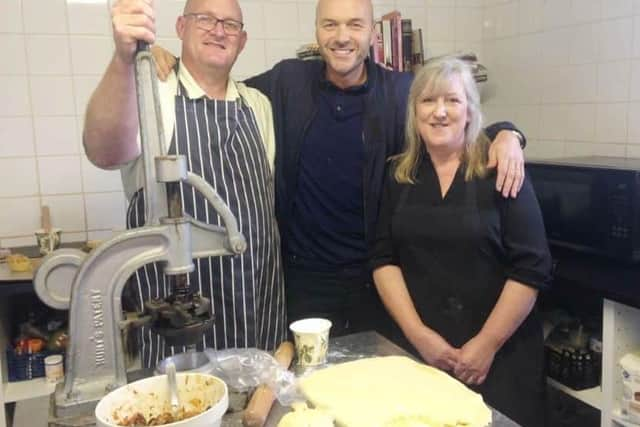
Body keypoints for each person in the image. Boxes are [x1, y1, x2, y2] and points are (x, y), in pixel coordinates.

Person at [152, 0, 527, 339]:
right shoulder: (287, 82)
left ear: (372, 33)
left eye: (354, 25)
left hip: (381, 280)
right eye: (330, 25)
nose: (342, 37)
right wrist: (170, 60)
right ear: (317, 32)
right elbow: (218, 85)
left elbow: (449, 121)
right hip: (304, 281)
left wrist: (506, 133)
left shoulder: (399, 91)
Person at [83, 0, 286, 368]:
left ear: (242, 40)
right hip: (179, 327)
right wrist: (125, 60)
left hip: (260, 315)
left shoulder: (258, 106)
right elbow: (104, 151)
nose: (218, 30)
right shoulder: (151, 92)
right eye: (205, 19)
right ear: (180, 27)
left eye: (229, 24)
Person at [370, 55, 552, 427]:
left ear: (470, 110)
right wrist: (418, 334)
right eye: (428, 101)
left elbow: (532, 268)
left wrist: (486, 344)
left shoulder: (500, 166)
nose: (439, 112)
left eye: (452, 100)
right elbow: (382, 258)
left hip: (500, 360)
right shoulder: (397, 174)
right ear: (414, 112)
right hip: (423, 355)